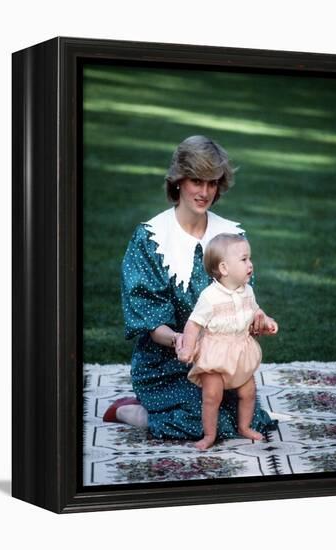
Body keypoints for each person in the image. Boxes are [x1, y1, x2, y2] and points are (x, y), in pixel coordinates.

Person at [103, 135, 278, 441]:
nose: (205, 191)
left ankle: (166, 412)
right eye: (197, 181)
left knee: (251, 421)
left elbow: (243, 300)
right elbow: (149, 319)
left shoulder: (231, 236)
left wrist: (255, 322)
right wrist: (180, 340)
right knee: (202, 423)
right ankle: (132, 410)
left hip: (220, 362)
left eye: (212, 183)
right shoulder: (151, 238)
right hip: (167, 362)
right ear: (179, 181)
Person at [177, 233, 278, 450]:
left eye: (250, 259)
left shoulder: (247, 291)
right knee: (212, 396)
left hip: (240, 351)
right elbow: (193, 324)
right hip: (215, 354)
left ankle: (244, 426)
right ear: (224, 269)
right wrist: (187, 348)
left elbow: (255, 311)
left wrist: (266, 321)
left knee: (248, 392)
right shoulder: (210, 296)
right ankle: (209, 435)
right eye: (244, 260)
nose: (250, 264)